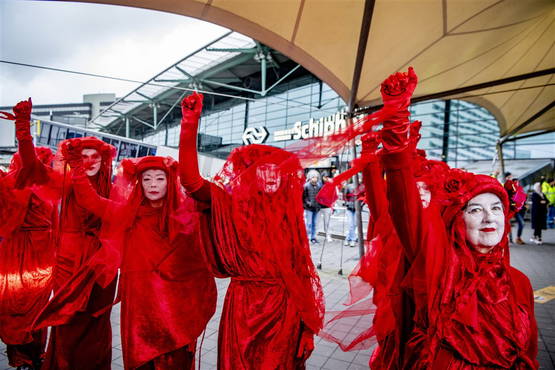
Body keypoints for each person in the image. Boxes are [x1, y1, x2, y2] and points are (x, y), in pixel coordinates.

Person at [379, 68, 537, 368]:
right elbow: (403, 206)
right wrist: (396, 121)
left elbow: (529, 352)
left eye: (496, 207)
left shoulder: (521, 283)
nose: (488, 216)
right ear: (458, 221)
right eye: (475, 209)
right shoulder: (437, 268)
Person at [178, 92, 324, 369]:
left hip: (284, 309)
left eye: (276, 171)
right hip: (244, 308)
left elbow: (302, 271)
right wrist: (189, 125)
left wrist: (306, 326)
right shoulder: (230, 203)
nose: (271, 176)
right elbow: (192, 183)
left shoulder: (288, 217)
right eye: (263, 170)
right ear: (251, 175)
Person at [55, 152, 217, 369]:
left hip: (176, 309)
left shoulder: (188, 214)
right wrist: (76, 167)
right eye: (147, 179)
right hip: (139, 308)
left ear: (170, 183)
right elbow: (90, 200)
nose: (153, 184)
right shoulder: (128, 214)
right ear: (139, 183)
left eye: (160, 178)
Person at [7, 99, 118, 370]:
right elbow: (31, 166)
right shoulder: (65, 183)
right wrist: (23, 129)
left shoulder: (114, 189)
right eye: (84, 156)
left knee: (96, 320)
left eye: (95, 156)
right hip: (69, 262)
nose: (90, 161)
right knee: (67, 318)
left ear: (104, 161)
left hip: (102, 265)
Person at [0, 101, 57, 370]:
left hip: (40, 252)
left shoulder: (46, 181)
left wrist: (23, 127)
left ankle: (34, 356)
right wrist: (22, 127)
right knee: (13, 306)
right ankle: (22, 358)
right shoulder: (10, 184)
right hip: (15, 252)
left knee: (36, 308)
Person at [504, 175, 526, 244]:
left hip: (520, 210)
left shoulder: (520, 190)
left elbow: (522, 200)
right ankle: (509, 239)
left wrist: (524, 204)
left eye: (517, 182)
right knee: (509, 225)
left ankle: (518, 238)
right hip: (512, 210)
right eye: (515, 182)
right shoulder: (508, 190)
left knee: (522, 224)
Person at [303, 169, 322, 243]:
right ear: (310, 178)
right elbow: (304, 197)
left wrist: (319, 204)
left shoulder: (318, 186)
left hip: (316, 207)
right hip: (309, 208)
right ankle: (307, 237)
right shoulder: (306, 186)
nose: (315, 179)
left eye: (316, 177)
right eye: (313, 177)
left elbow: (320, 196)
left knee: (314, 223)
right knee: (309, 223)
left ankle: (313, 237)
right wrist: (308, 203)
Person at [318, 172, 335, 242]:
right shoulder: (319, 184)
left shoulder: (330, 185)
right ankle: (313, 236)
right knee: (316, 222)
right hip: (319, 206)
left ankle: (328, 236)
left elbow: (333, 194)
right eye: (325, 177)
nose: (326, 178)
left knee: (327, 223)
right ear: (322, 177)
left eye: (327, 177)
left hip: (327, 206)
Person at [343, 180, 357, 247]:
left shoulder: (362, 186)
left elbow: (364, 197)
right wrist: (347, 203)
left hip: (357, 209)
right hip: (349, 208)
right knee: (351, 224)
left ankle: (347, 238)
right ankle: (353, 240)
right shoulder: (349, 186)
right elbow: (345, 196)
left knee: (354, 225)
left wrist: (361, 205)